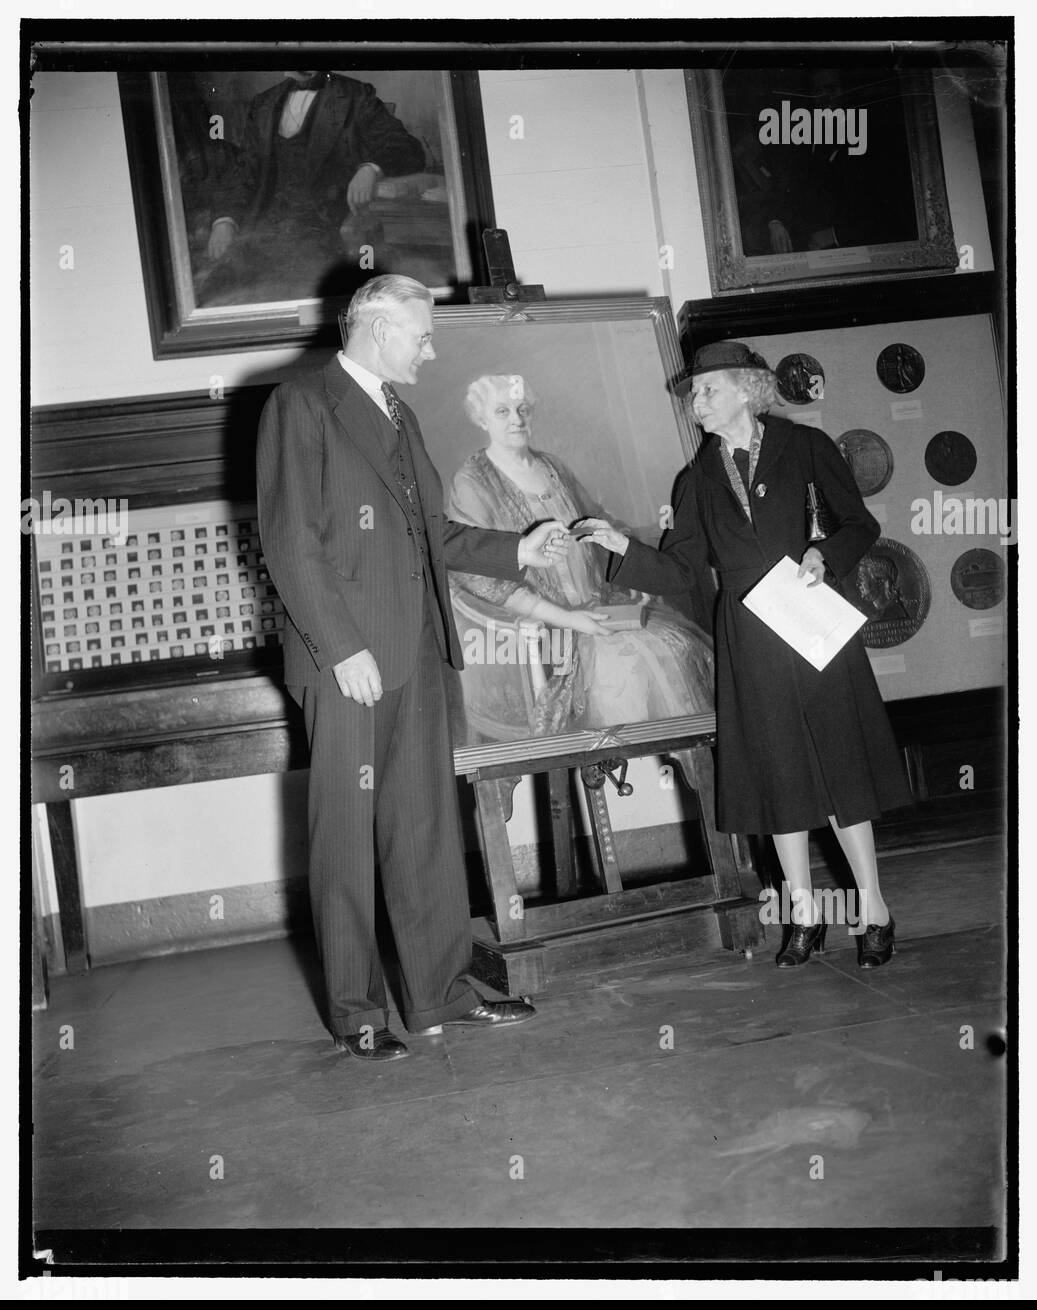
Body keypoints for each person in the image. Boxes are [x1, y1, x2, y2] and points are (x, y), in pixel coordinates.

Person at [256, 276, 569, 1060]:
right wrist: (343, 649)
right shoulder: (301, 404)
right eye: (422, 336)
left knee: (425, 830)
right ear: (375, 327)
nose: (432, 350)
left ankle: (440, 997)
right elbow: (292, 541)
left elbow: (431, 533)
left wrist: (515, 549)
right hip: (349, 663)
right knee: (347, 842)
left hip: (421, 653)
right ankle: (358, 1014)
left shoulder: (399, 413)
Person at [584, 341, 912, 970]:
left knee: (841, 765)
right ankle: (805, 915)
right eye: (694, 392)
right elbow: (680, 569)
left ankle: (872, 909)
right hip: (750, 637)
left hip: (815, 627)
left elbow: (859, 526)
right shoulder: (698, 478)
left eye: (705, 390)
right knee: (778, 773)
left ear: (744, 390)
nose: (694, 401)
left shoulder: (806, 448)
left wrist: (825, 556)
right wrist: (620, 543)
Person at [445, 374, 714, 745]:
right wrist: (570, 619)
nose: (516, 420)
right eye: (503, 411)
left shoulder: (551, 466)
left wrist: (627, 557)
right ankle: (634, 782)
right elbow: (478, 575)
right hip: (541, 632)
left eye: (523, 410)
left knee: (675, 648)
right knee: (625, 672)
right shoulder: (472, 481)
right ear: (481, 418)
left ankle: (677, 780)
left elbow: (599, 519)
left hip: (599, 604)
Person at [203, 71, 426, 304]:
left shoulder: (355, 95)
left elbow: (407, 147)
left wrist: (371, 168)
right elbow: (244, 168)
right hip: (264, 232)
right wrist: (225, 220)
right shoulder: (264, 102)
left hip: (325, 231)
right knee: (214, 296)